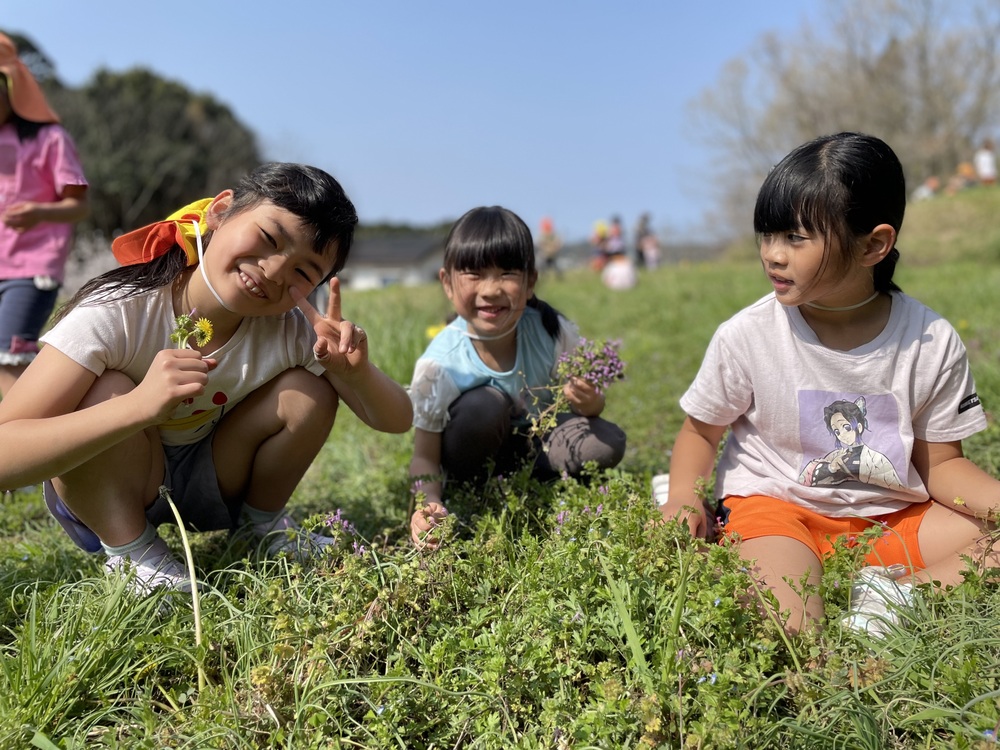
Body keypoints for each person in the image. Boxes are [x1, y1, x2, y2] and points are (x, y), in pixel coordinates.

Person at [0, 162, 413, 595]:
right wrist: (138, 406)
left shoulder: (290, 330)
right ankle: (135, 553)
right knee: (107, 391)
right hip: (116, 479)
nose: (274, 271)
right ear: (220, 211)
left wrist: (357, 374)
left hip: (212, 479)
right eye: (270, 238)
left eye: (303, 272)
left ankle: (262, 530)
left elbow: (396, 420)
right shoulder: (117, 312)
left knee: (308, 392)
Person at [656, 132, 1000, 636]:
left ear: (874, 245)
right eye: (767, 235)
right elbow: (700, 432)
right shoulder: (749, 335)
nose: (772, 255)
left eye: (795, 238)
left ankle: (898, 598)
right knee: (792, 631)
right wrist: (685, 493)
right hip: (777, 511)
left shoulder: (930, 341)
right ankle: (806, 581)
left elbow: (942, 464)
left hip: (892, 521)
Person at [408, 206, 626, 548]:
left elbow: (590, 409)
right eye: (474, 274)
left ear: (530, 283)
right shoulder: (440, 365)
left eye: (507, 273)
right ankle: (477, 484)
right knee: (485, 405)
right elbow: (423, 456)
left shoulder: (551, 332)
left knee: (606, 441)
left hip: (537, 447)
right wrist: (428, 502)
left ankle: (535, 479)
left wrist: (591, 400)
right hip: (472, 452)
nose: (491, 289)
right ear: (447, 283)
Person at [0, 33, 89, 397]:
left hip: (30, 270)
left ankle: (28, 441)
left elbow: (80, 205)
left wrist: (39, 212)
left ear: (12, 87)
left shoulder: (51, 139)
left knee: (7, 361)